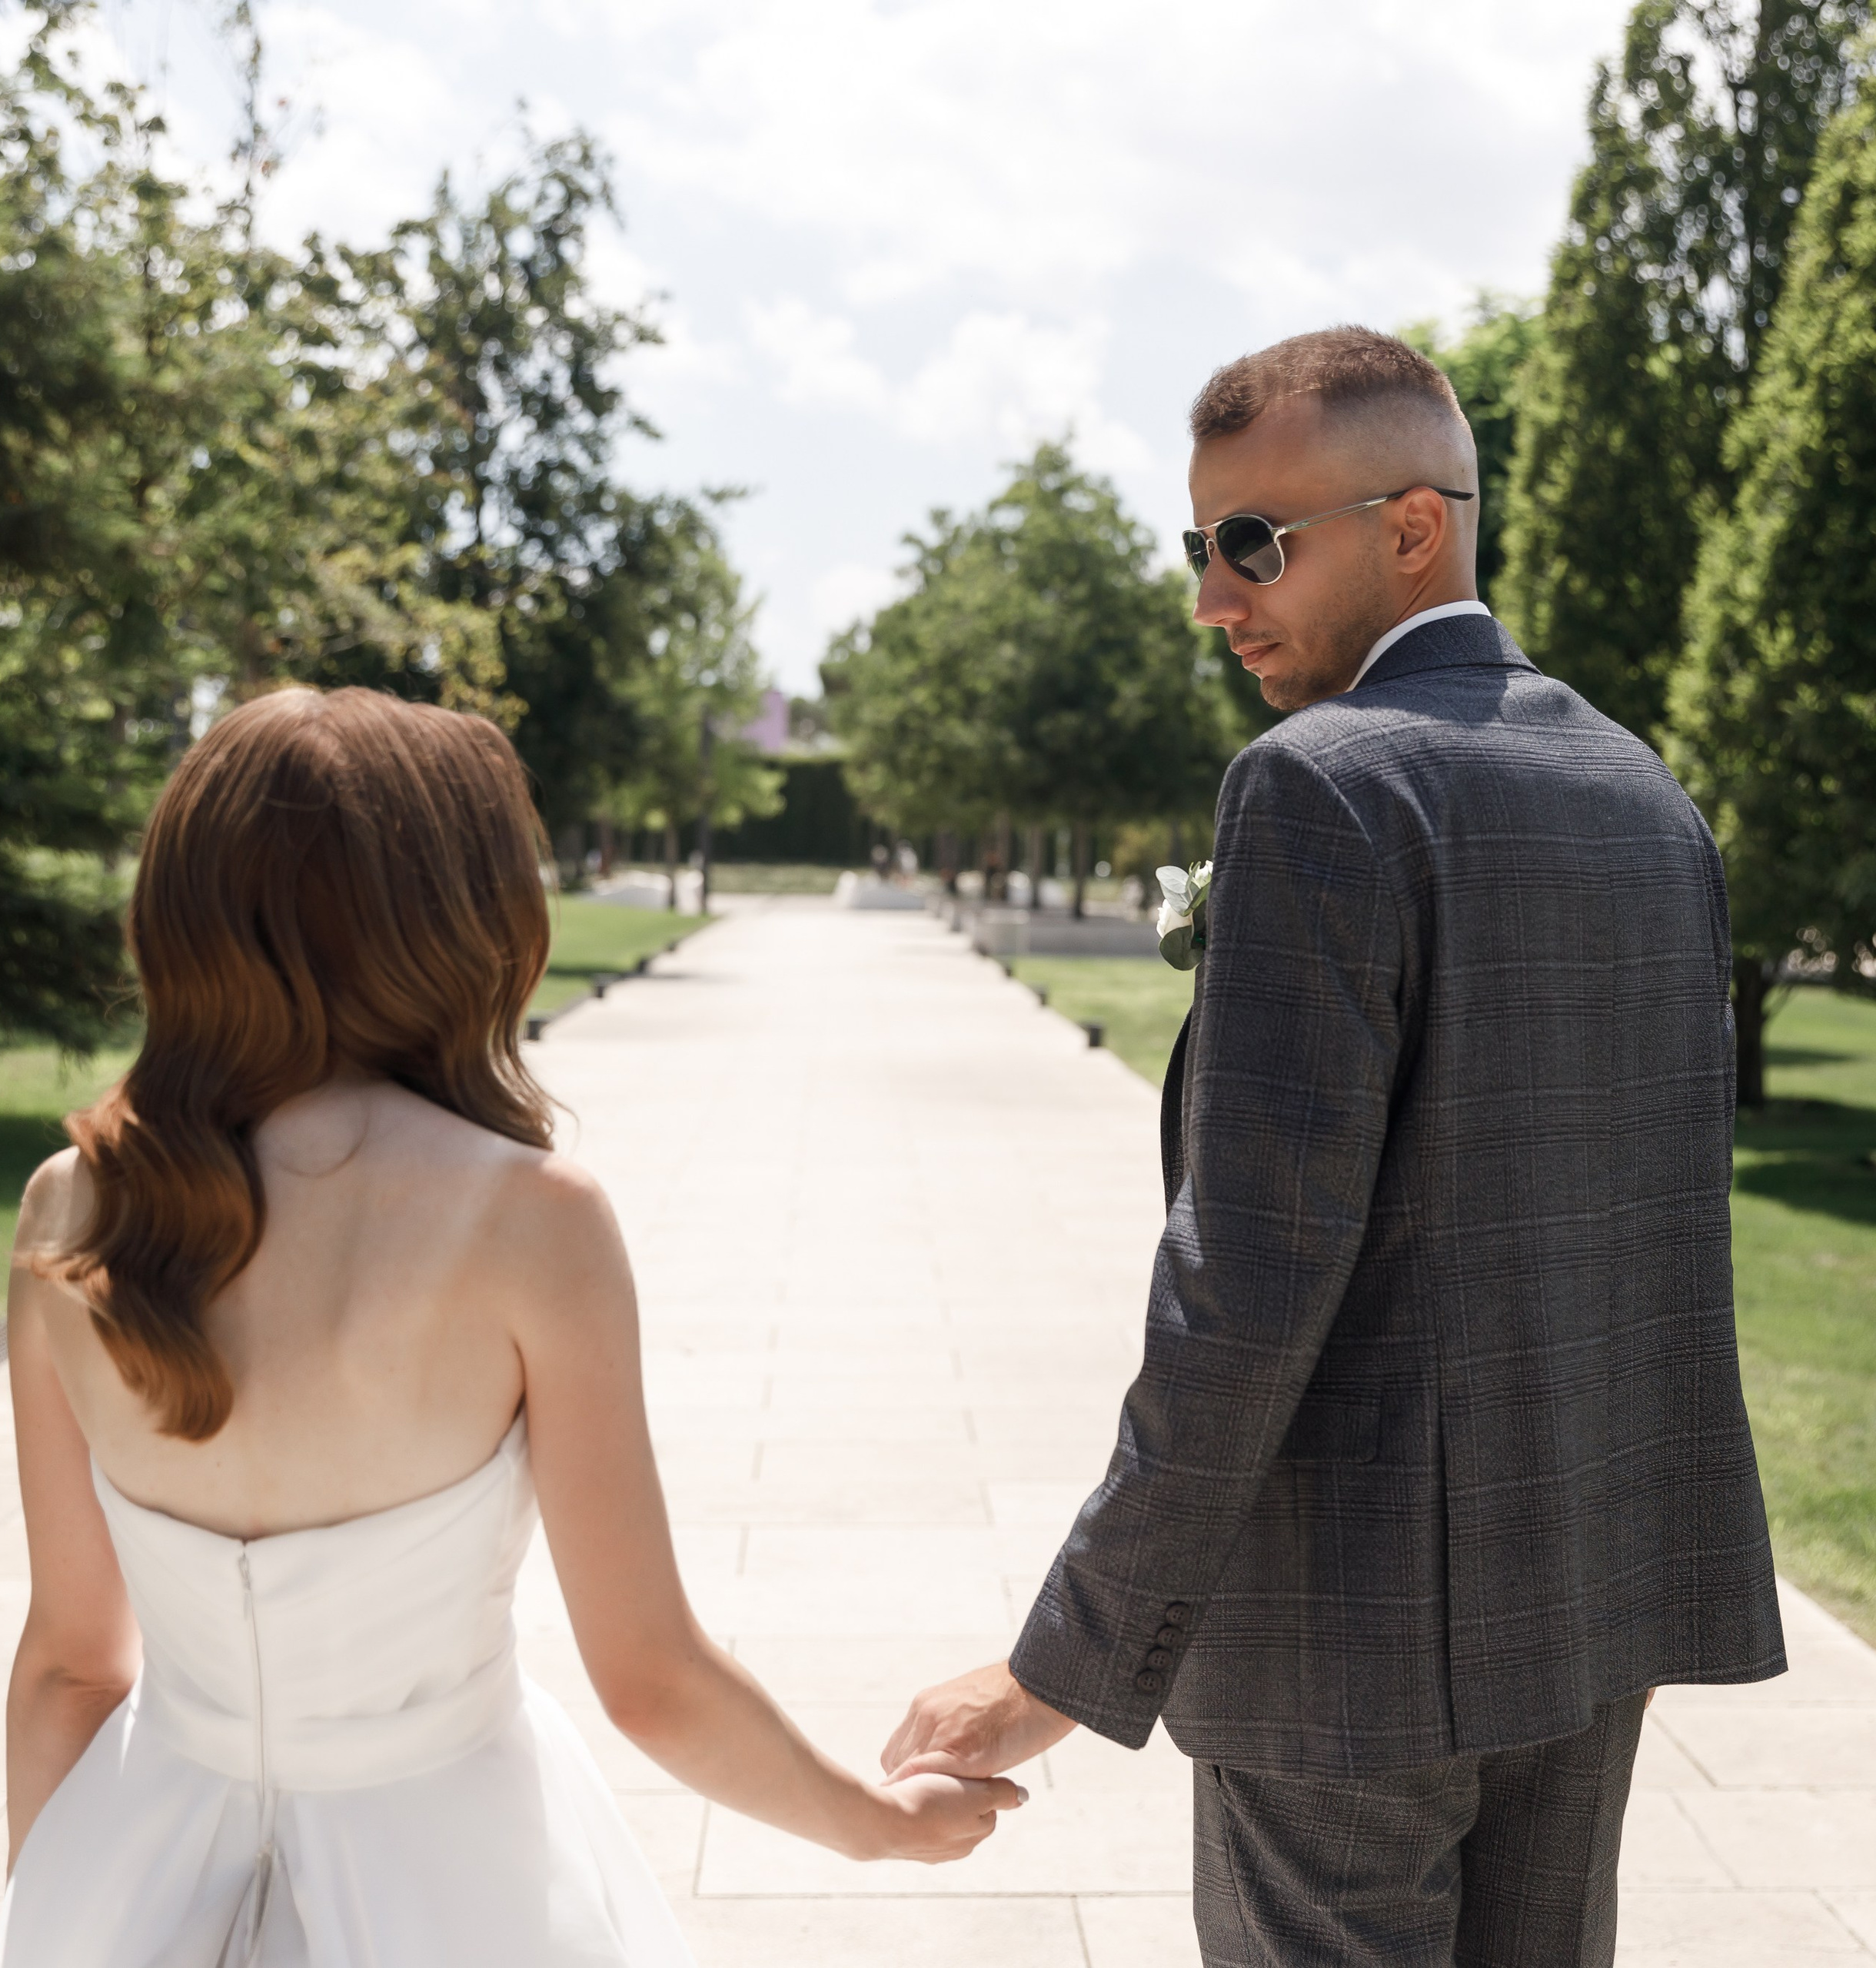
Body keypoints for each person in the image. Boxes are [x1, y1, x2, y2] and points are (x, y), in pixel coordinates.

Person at [882, 327, 1786, 1966]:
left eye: (1254, 544)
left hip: (1340, 1644)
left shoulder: (1320, 785)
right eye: (1199, 544)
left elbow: (1244, 1284)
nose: (1212, 597)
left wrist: (1056, 1665)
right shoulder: (1642, 793)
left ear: (1412, 528)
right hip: (1584, 1605)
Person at [2, 687, 1019, 1966]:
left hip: (131, 1867)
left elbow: (67, 1673)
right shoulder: (528, 1219)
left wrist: (54, 1902)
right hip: (455, 1882)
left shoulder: (64, 1208)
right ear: (454, 914)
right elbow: (648, 1676)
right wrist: (873, 1822)